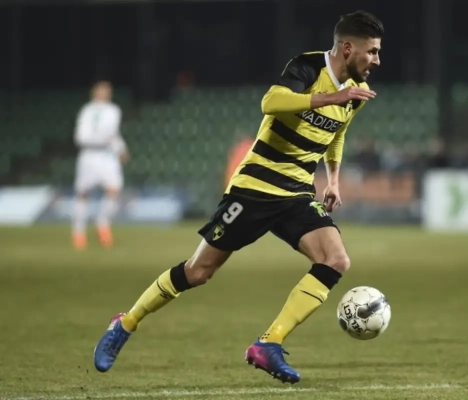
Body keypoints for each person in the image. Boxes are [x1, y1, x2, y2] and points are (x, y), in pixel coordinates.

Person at [93, 10, 383, 384]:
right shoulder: (308, 67)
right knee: (198, 271)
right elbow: (271, 102)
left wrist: (334, 180)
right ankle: (126, 323)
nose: (377, 60)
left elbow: (337, 133)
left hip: (296, 192)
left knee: (336, 259)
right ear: (347, 48)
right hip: (254, 187)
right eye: (372, 51)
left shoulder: (355, 94)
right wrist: (331, 96)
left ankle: (269, 343)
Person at [72, 81, 129, 249]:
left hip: (106, 155)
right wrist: (99, 139)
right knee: (83, 193)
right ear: (94, 92)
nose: (105, 93)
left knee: (114, 189)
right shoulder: (86, 110)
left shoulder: (113, 110)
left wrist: (121, 148)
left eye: (107, 90)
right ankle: (78, 232)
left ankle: (102, 223)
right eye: (102, 90)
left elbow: (112, 133)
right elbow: (80, 136)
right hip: (89, 154)